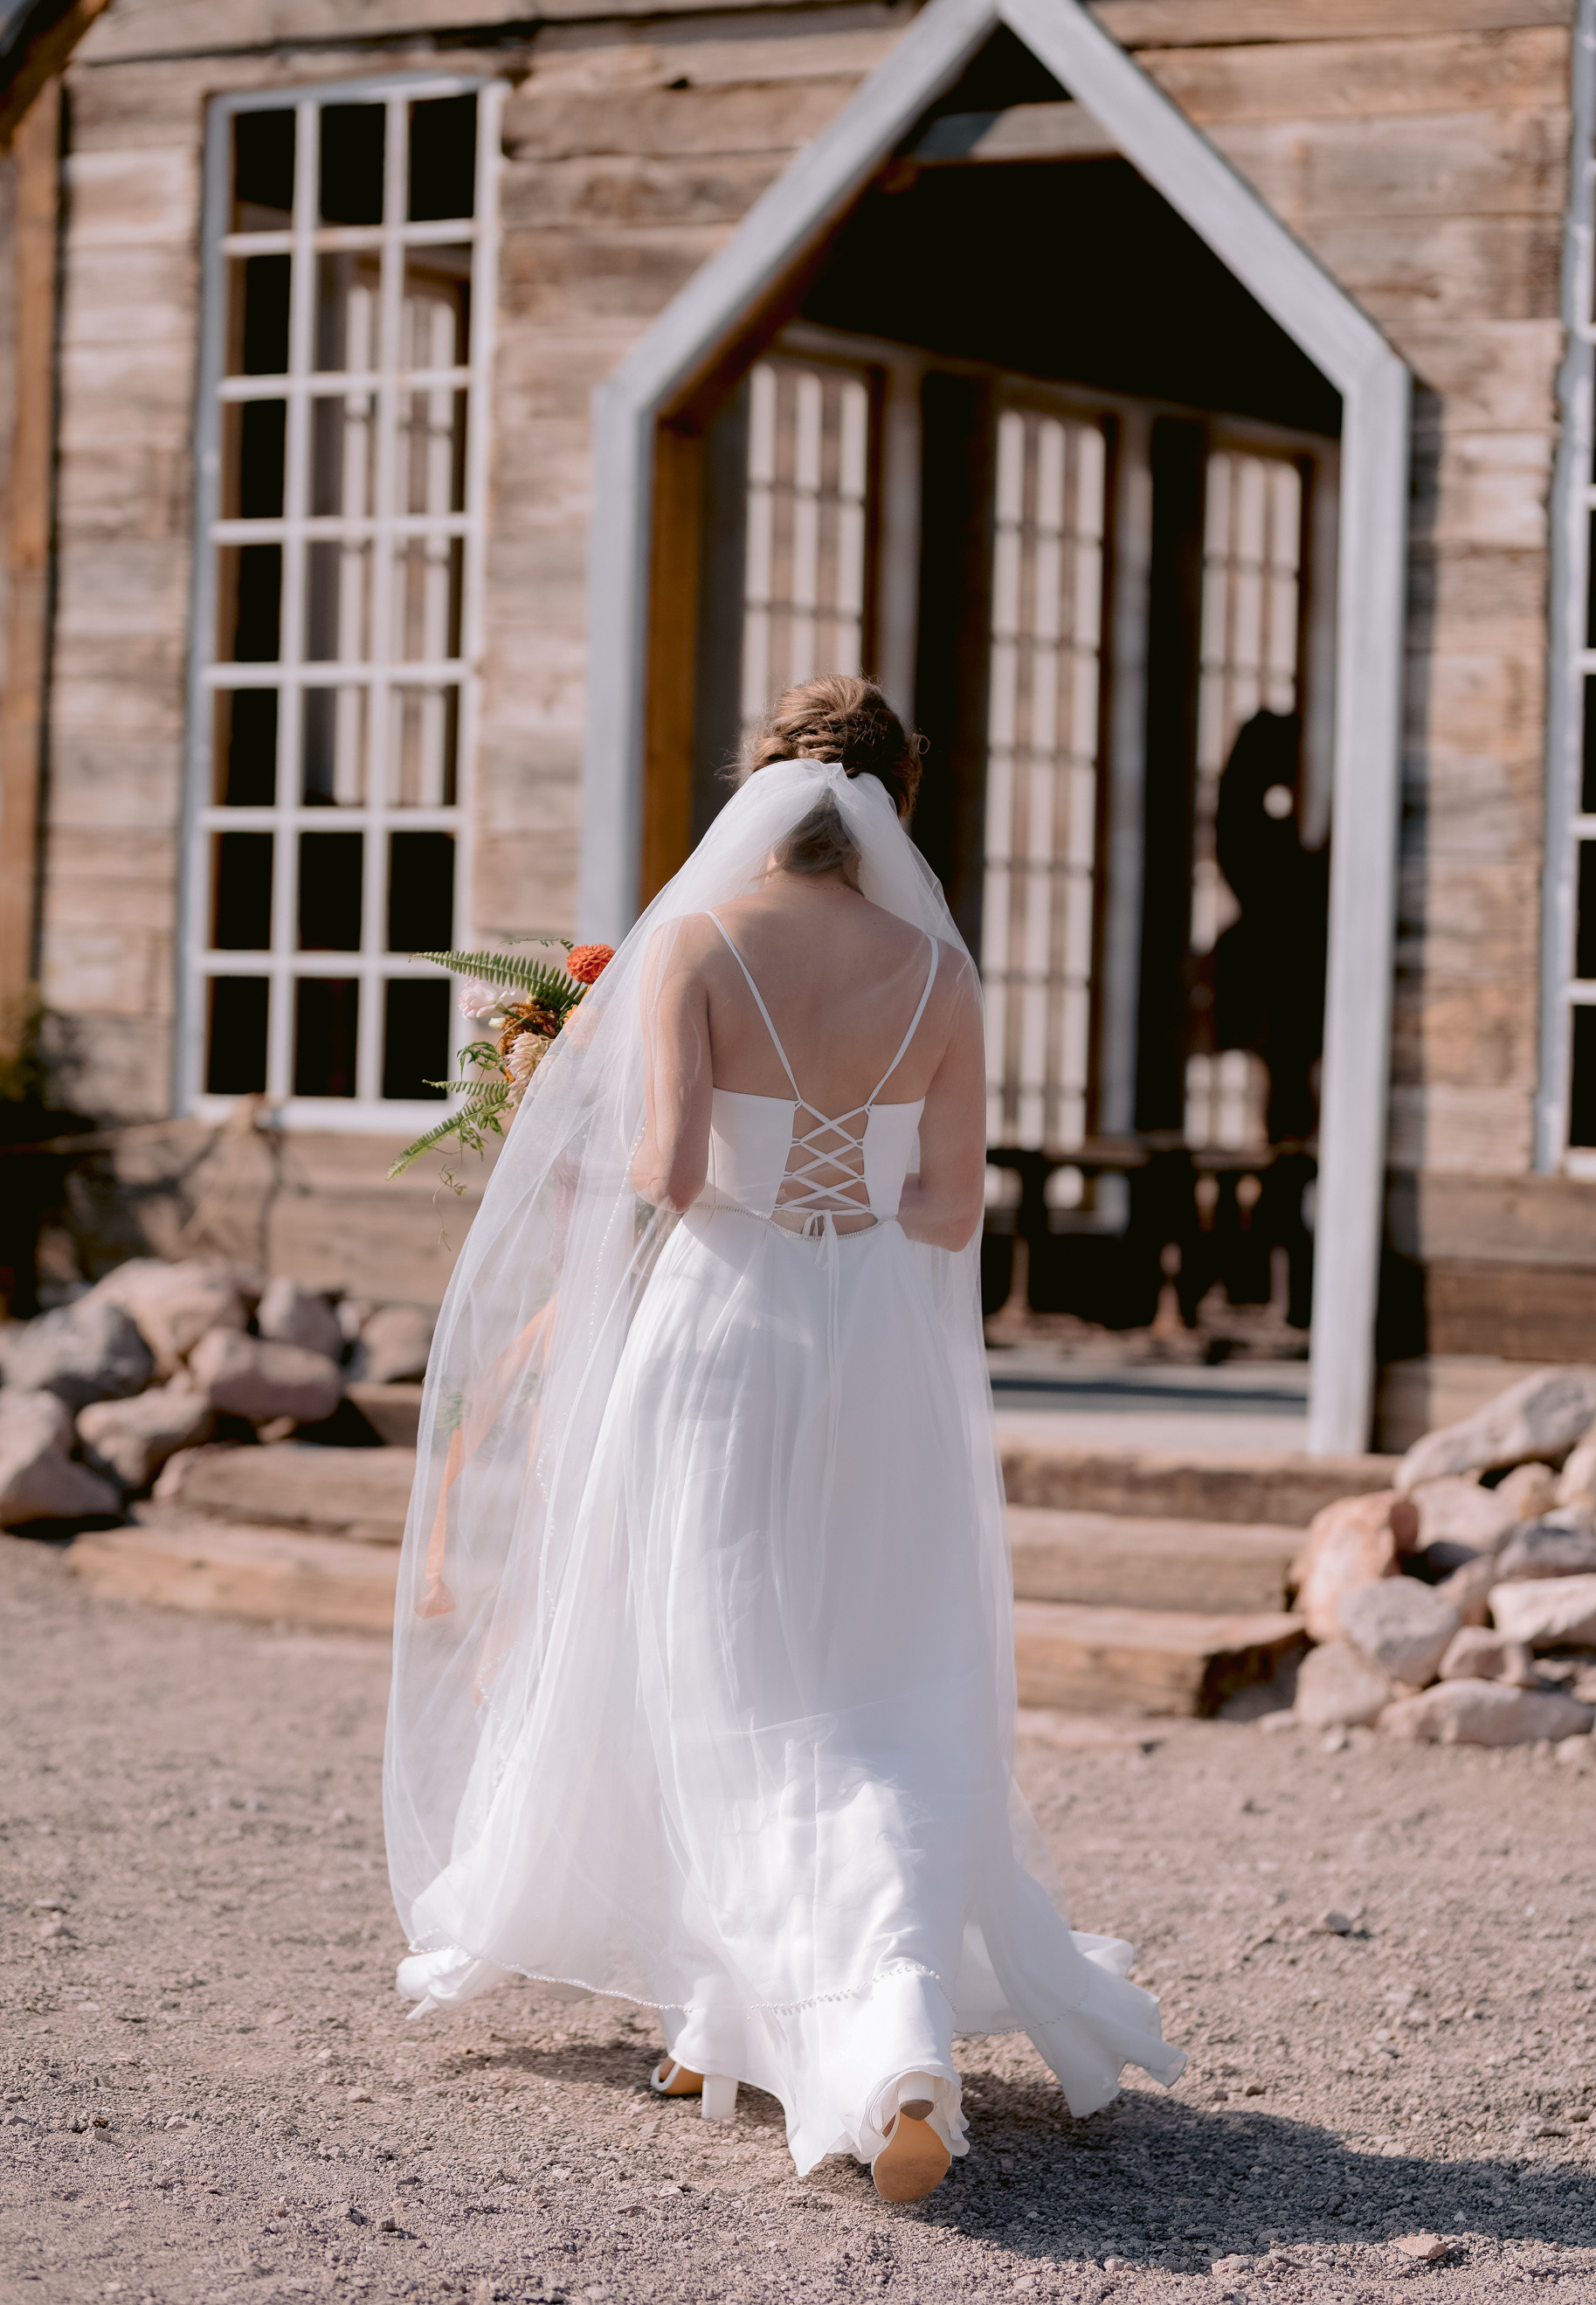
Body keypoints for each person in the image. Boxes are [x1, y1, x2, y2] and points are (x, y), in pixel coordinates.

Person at [384, 677, 1182, 2203]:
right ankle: (830, 2016)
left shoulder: (693, 943)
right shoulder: (937, 970)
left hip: (723, 1331)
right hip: (870, 1334)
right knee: (865, 1676)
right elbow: (952, 1207)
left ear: (760, 791)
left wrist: (571, 1095)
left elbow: (669, 1168)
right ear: (897, 803)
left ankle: (740, 2018)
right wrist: (856, 1193)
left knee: (712, 1663)